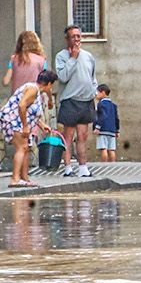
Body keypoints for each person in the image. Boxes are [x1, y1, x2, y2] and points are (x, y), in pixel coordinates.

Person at [52, 25, 98, 178]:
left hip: (86, 100)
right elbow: (63, 76)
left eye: (78, 36)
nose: (77, 39)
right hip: (71, 101)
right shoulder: (62, 56)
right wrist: (73, 58)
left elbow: (92, 76)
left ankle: (83, 168)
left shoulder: (89, 56)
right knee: (68, 136)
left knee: (83, 136)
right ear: (67, 39)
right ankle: (67, 168)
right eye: (73, 36)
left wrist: (93, 91)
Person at [0, 68, 58, 187]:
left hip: (19, 121)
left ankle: (25, 178)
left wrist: (41, 125)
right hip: (12, 120)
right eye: (51, 86)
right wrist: (25, 127)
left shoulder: (37, 91)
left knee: (26, 148)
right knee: (22, 147)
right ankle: (15, 179)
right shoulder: (32, 89)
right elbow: (22, 106)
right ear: (49, 84)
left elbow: (30, 111)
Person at [94, 84, 120, 163]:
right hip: (112, 130)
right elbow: (116, 118)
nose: (96, 95)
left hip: (103, 130)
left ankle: (104, 165)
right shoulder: (113, 106)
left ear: (103, 93)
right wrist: (117, 130)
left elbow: (102, 116)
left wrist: (97, 127)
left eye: (97, 92)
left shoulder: (101, 104)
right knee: (111, 149)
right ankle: (112, 165)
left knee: (103, 148)